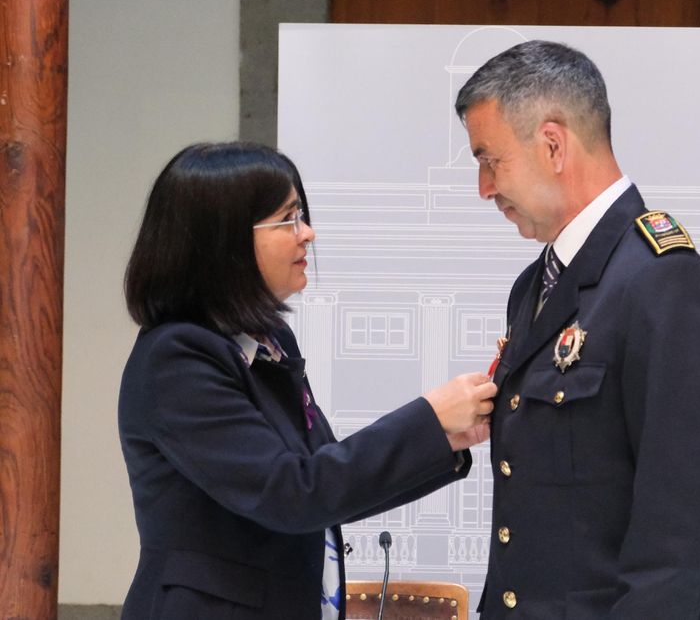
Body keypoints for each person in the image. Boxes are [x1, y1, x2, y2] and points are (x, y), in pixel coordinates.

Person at [118, 142, 496, 619]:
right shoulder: (176, 360)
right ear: (224, 241)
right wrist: (428, 417)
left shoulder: (270, 341)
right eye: (288, 219)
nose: (308, 235)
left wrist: (443, 437)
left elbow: (325, 483)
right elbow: (291, 492)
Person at [455, 40, 700, 618]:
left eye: (491, 160)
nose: (484, 187)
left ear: (554, 145)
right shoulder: (535, 286)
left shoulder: (665, 283)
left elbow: (674, 545)